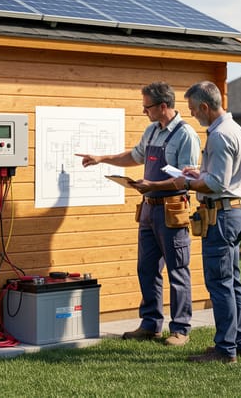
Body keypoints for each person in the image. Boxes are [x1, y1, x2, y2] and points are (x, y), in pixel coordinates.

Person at [77, 82, 200, 347]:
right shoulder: (152, 131)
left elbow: (187, 180)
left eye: (147, 107)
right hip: (148, 210)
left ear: (163, 106)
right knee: (146, 269)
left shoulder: (186, 135)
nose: (144, 111)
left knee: (178, 270)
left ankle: (181, 329)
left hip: (172, 210)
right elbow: (135, 156)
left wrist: (153, 185)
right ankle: (150, 325)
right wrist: (101, 158)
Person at [176, 80, 241, 364]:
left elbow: (216, 183)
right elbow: (223, 175)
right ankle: (240, 343)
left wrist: (186, 181)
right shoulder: (237, 130)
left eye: (194, 110)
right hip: (233, 212)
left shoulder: (219, 135)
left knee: (219, 283)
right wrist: (198, 172)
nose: (194, 115)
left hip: (219, 215)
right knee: (233, 282)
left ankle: (224, 349)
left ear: (206, 107)